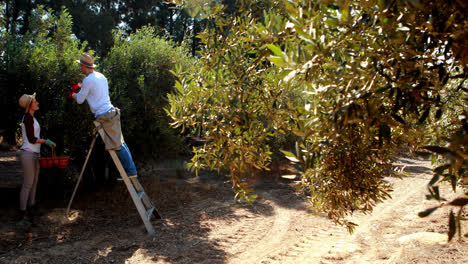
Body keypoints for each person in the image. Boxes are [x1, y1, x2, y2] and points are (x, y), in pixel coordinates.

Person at [71, 53, 138, 179]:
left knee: (117, 145)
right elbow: (94, 90)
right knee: (121, 143)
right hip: (110, 112)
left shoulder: (88, 80)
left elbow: (80, 100)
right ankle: (130, 169)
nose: (80, 68)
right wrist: (80, 86)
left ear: (83, 66)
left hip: (105, 116)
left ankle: (130, 171)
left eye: (80, 66)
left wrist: (73, 94)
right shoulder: (100, 76)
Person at [18, 93, 56, 225]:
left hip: (34, 153)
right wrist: (46, 141)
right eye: (35, 102)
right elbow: (32, 139)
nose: (37, 103)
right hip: (28, 154)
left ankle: (31, 208)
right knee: (28, 184)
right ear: (30, 106)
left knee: (33, 183)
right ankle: (23, 213)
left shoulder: (32, 118)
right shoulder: (28, 118)